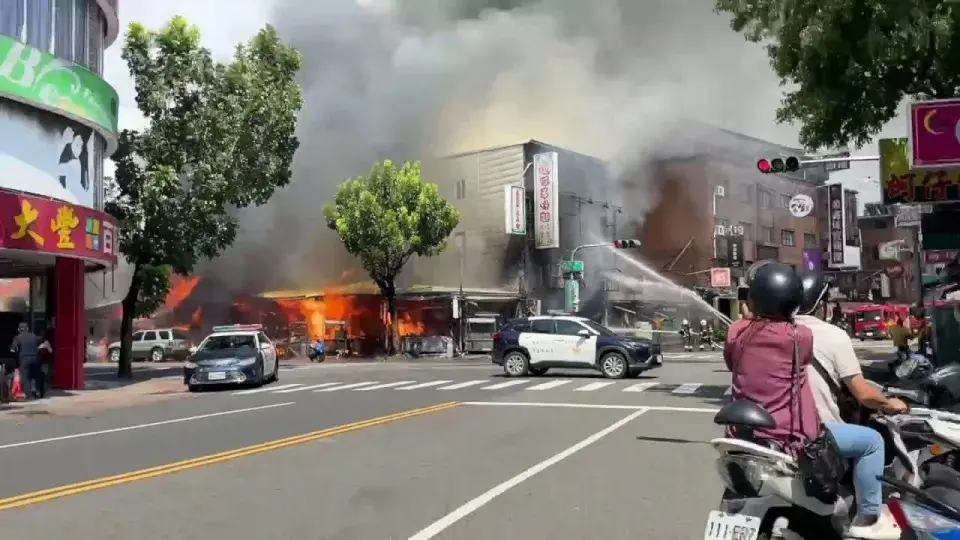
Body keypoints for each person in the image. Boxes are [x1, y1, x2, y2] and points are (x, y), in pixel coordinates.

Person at [796, 271, 906, 540]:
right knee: (872, 442)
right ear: (822, 305)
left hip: (770, 429)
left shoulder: (772, 331)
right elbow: (863, 394)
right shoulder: (831, 334)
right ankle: (868, 517)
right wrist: (890, 403)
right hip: (815, 433)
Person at [725, 261, 821, 457]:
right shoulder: (802, 335)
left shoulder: (737, 330)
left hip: (741, 434)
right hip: (786, 437)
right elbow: (805, 361)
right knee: (871, 442)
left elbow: (731, 363)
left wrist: (748, 317)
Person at [9, 322, 39, 399]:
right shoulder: (34, 336)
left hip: (24, 359)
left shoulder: (18, 337)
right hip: (35, 359)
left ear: (19, 329)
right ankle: (34, 391)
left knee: (26, 377)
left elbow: (13, 349)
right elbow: (38, 346)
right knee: (33, 376)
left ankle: (29, 395)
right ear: (27, 329)